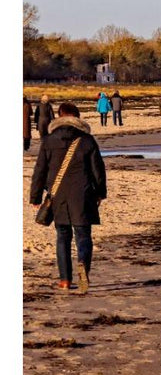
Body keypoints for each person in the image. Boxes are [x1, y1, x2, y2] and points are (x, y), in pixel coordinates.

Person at [29, 102, 107, 293]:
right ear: (77, 117)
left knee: (62, 236)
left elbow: (40, 170)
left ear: (59, 116)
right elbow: (98, 169)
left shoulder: (49, 141)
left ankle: (64, 279)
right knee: (83, 235)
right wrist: (100, 193)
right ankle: (83, 266)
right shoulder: (87, 140)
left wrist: (35, 196)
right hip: (83, 193)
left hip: (58, 195)